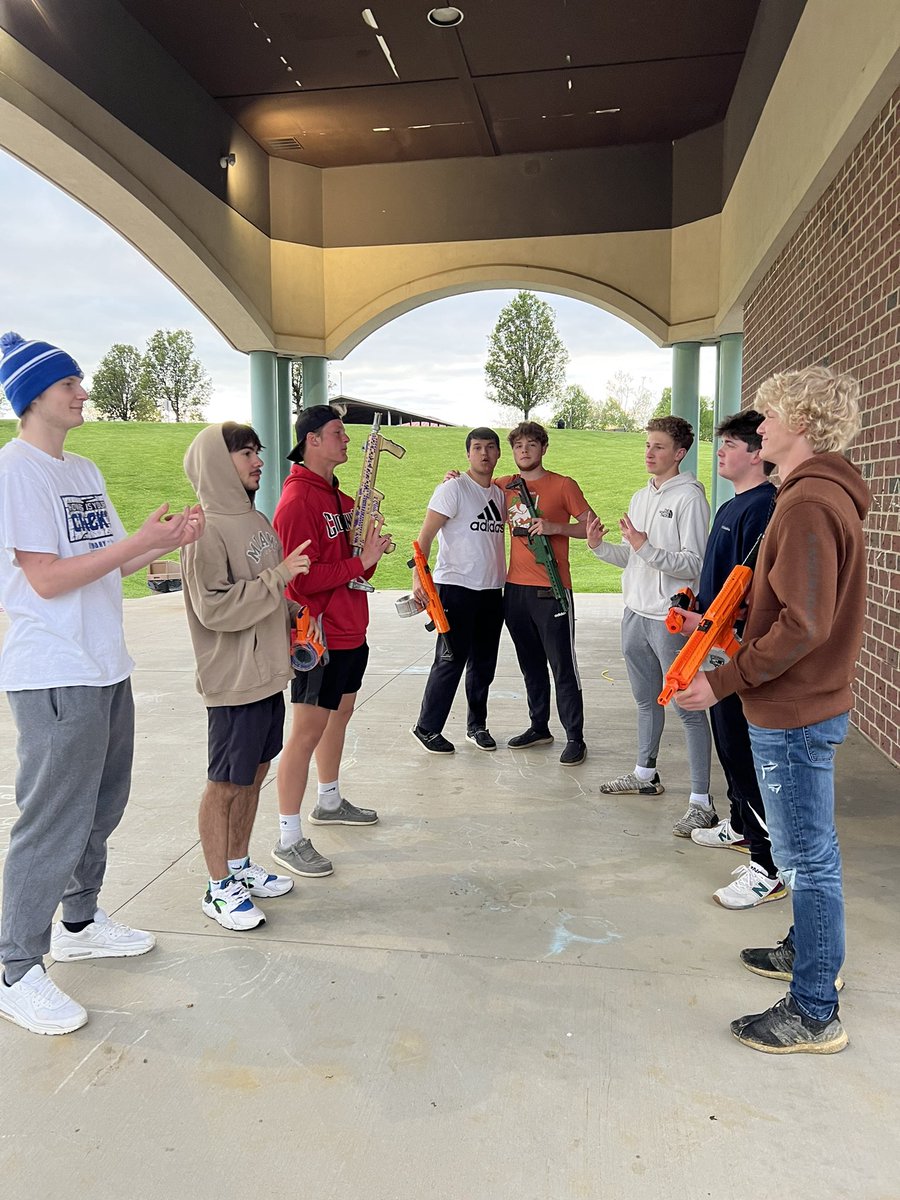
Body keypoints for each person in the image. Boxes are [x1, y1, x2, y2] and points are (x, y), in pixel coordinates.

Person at [0, 331, 203, 1036]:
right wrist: (139, 543)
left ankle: (79, 922)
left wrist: (161, 543)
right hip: (53, 669)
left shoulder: (81, 469)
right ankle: (16, 966)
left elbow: (111, 563)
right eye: (71, 385)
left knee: (101, 805)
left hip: (104, 663)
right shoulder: (17, 471)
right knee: (51, 819)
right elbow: (48, 579)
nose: (84, 392)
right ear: (34, 399)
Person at [676, 365, 868, 1054]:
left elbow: (806, 623)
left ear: (805, 425)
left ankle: (815, 1009)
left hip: (794, 710)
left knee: (806, 857)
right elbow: (792, 608)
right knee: (810, 850)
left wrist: (725, 681)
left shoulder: (809, 503)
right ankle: (810, 952)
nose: (758, 428)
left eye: (770, 414)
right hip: (802, 703)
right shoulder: (814, 494)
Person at [181, 422, 312, 930]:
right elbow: (212, 608)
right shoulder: (204, 528)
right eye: (246, 454)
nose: (259, 461)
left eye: (259, 451)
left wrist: (296, 618)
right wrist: (279, 578)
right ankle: (217, 888)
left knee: (254, 775)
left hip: (268, 675)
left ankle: (238, 867)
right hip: (232, 681)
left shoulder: (256, 518)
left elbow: (271, 590)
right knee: (224, 784)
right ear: (218, 462)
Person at [271, 405, 391, 876]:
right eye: (338, 433)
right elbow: (297, 581)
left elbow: (356, 571)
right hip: (318, 636)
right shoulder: (298, 500)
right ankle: (287, 836)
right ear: (312, 440)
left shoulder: (338, 499)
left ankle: (330, 800)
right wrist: (357, 564)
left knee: (339, 717)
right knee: (304, 734)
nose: (347, 441)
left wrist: (370, 552)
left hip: (350, 627)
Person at [588, 416, 713, 824]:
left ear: (679, 453)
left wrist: (646, 547)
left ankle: (701, 802)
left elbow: (693, 564)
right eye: (647, 445)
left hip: (669, 619)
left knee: (688, 709)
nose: (649, 453)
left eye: (658, 447)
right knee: (645, 701)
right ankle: (645, 774)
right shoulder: (642, 496)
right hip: (635, 614)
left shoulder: (691, 498)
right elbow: (632, 557)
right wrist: (599, 547)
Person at [683, 411, 784, 909]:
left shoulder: (765, 508)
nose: (720, 451)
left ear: (755, 453)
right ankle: (743, 826)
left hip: (736, 655)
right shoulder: (731, 506)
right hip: (713, 645)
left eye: (729, 444)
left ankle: (768, 867)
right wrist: (694, 611)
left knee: (744, 756)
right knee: (728, 746)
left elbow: (749, 597)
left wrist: (716, 628)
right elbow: (720, 583)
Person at [497, 421, 593, 765]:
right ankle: (539, 726)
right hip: (515, 591)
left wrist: (555, 527)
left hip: (552, 590)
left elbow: (591, 527)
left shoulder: (563, 485)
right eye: (518, 445)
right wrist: (454, 477)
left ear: (543, 448)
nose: (524, 450)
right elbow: (473, 486)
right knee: (530, 665)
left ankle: (575, 737)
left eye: (531, 444)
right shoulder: (505, 485)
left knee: (563, 665)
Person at [410, 427, 506, 754]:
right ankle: (427, 727)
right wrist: (419, 582)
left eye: (490, 448)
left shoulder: (501, 494)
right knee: (450, 660)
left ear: (497, 454)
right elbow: (423, 538)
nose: (484, 453)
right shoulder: (453, 489)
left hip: (492, 591)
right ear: (468, 454)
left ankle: (476, 726)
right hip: (455, 588)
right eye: (477, 448)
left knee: (483, 665)